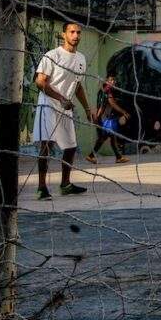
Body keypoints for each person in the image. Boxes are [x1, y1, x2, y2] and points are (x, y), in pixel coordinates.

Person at [32, 21, 93, 200]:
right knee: (46, 145)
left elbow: (78, 85)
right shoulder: (52, 55)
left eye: (79, 33)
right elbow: (40, 81)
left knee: (71, 147)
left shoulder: (81, 58)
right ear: (64, 34)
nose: (76, 36)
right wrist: (61, 98)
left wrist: (87, 108)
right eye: (72, 32)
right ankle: (42, 187)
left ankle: (65, 184)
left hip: (66, 107)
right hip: (48, 104)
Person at [85, 74, 130, 165]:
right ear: (106, 81)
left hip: (106, 118)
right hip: (105, 119)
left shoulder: (103, 91)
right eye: (111, 80)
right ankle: (91, 156)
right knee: (104, 137)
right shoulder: (107, 91)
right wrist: (123, 112)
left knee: (110, 136)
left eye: (114, 80)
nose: (113, 82)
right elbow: (109, 104)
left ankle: (118, 157)